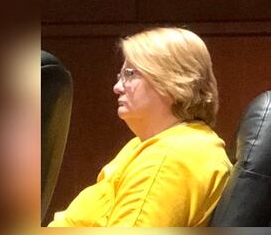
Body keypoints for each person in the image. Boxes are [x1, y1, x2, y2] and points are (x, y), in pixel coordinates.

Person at [48, 27, 232, 227]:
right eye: (120, 76)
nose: (117, 87)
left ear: (172, 79)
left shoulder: (170, 157)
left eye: (130, 74)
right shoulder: (145, 145)